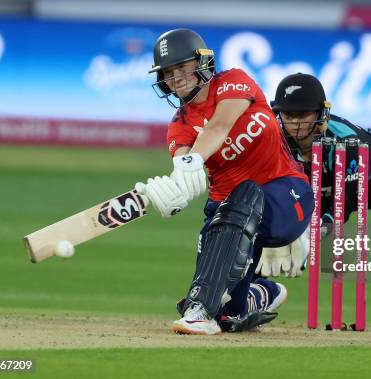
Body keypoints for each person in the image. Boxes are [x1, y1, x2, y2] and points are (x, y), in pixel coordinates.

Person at [134, 29, 313, 335]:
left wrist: (191, 162)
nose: (176, 77)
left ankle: (200, 309)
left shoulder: (233, 81)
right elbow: (184, 166)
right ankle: (261, 294)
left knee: (244, 194)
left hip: (286, 193)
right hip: (231, 217)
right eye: (168, 72)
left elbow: (218, 127)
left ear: (203, 62)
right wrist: (174, 191)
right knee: (230, 315)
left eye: (182, 67)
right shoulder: (179, 127)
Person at [263, 73, 371, 332]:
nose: (296, 124)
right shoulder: (273, 140)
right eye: (289, 116)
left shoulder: (347, 140)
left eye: (303, 115)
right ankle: (248, 296)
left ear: (321, 114)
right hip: (318, 184)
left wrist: (310, 235)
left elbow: (342, 204)